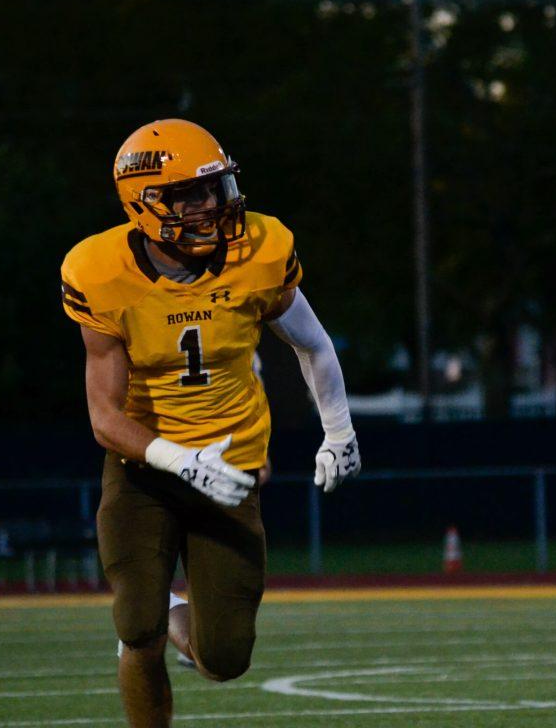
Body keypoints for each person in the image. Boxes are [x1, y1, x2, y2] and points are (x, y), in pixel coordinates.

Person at [61, 118, 360, 727]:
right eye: (188, 195)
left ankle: (169, 608)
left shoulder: (259, 249)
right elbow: (104, 417)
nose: (209, 205)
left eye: (215, 188)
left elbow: (314, 343)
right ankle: (146, 620)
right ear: (142, 204)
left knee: (223, 659)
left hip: (231, 468)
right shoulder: (101, 271)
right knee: (137, 627)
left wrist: (340, 432)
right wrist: (178, 456)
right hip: (144, 469)